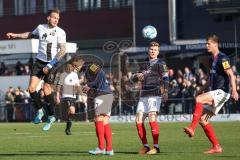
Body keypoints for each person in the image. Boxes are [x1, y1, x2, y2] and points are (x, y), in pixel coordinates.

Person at [6, 8, 66, 131]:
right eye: (54, 17)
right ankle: (40, 111)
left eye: (58, 18)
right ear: (48, 18)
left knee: (46, 90)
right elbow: (29, 34)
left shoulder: (60, 32)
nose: (56, 20)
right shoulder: (40, 28)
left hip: (52, 64)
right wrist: (15, 35)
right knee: (31, 88)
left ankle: (51, 115)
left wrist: (50, 65)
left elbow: (63, 50)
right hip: (39, 63)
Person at [183, 35, 239, 154]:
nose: (206, 45)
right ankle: (216, 146)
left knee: (199, 99)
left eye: (208, 43)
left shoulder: (223, 58)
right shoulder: (212, 60)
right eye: (206, 43)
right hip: (216, 92)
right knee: (203, 119)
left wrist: (234, 91)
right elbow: (210, 80)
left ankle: (192, 128)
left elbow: (231, 74)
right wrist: (201, 89)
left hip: (222, 92)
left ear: (215, 44)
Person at [70, 56, 114, 156]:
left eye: (75, 65)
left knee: (98, 119)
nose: (74, 68)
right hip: (106, 94)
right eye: (73, 66)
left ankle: (101, 148)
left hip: (102, 94)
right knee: (104, 121)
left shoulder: (91, 66)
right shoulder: (87, 70)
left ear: (81, 63)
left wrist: (89, 85)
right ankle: (109, 149)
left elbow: (101, 75)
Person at [133, 41, 169, 155]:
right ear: (148, 50)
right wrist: (136, 76)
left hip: (155, 95)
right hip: (143, 95)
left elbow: (166, 79)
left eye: (155, 50)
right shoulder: (143, 64)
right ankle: (146, 146)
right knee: (138, 120)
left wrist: (165, 92)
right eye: (151, 49)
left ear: (158, 52)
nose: (152, 51)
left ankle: (156, 147)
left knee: (152, 118)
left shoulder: (161, 64)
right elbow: (136, 78)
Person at [56, 63, 81, 135]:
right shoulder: (63, 75)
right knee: (71, 110)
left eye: (71, 67)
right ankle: (67, 127)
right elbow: (59, 87)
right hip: (65, 96)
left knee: (72, 113)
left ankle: (68, 128)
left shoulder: (75, 75)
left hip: (73, 96)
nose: (70, 68)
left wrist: (81, 94)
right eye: (68, 67)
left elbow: (77, 85)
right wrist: (58, 97)